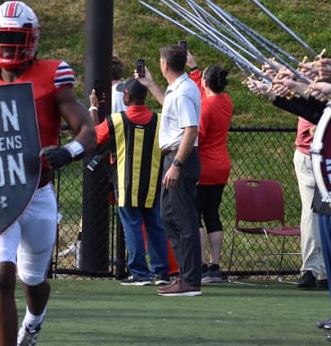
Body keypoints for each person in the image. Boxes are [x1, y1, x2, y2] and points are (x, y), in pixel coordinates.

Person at [0, 1, 95, 346]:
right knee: (2, 273)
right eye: (3, 38)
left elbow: (87, 131)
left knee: (33, 280)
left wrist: (69, 150)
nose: (8, 46)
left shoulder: (52, 75)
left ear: (32, 39)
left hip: (37, 192)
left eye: (16, 37)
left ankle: (33, 322)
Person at [92, 77, 170, 286]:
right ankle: (161, 272)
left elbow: (93, 137)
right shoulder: (160, 119)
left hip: (126, 185)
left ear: (127, 96)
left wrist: (93, 109)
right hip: (152, 183)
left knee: (132, 226)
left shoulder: (115, 120)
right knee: (155, 226)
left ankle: (140, 273)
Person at [155, 43, 203, 296]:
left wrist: (176, 164)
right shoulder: (179, 88)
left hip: (179, 159)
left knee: (184, 221)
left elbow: (190, 129)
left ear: (165, 64)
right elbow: (174, 113)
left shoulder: (183, 91)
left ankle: (190, 279)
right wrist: (150, 85)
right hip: (175, 158)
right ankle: (185, 275)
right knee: (168, 216)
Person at [196, 64, 233, 283]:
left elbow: (198, 134)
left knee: (195, 213)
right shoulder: (226, 101)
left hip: (205, 165)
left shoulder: (205, 106)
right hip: (222, 164)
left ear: (205, 82)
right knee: (212, 213)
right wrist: (195, 69)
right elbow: (208, 94)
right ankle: (214, 265)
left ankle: (200, 264)